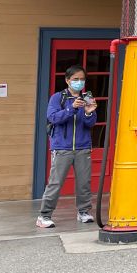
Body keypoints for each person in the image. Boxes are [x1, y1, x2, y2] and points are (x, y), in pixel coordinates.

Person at [37, 65, 99, 228]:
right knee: (55, 182)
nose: (79, 82)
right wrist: (71, 108)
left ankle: (84, 212)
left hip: (82, 147)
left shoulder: (87, 97)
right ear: (67, 80)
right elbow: (53, 118)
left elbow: (91, 123)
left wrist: (88, 112)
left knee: (84, 182)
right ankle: (44, 215)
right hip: (62, 147)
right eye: (75, 79)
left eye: (82, 79)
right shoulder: (58, 98)